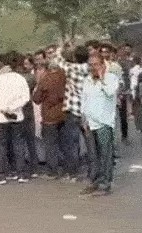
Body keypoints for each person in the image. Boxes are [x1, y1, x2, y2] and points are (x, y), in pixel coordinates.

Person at [0, 51, 31, 185]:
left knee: (0, 146)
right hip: (17, 116)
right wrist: (13, 108)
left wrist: (4, 109)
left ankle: (1, 174)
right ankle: (21, 173)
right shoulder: (20, 78)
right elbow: (25, 98)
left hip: (0, 117)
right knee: (18, 145)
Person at [80, 53, 120, 196]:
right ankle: (94, 180)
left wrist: (102, 78)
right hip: (90, 123)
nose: (93, 68)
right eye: (90, 65)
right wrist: (83, 118)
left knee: (105, 154)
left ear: (103, 65)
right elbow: (84, 100)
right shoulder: (87, 80)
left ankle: (105, 182)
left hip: (104, 123)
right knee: (92, 155)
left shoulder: (111, 79)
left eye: (96, 64)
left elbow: (110, 93)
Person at [54, 44, 90, 181]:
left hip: (74, 109)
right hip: (88, 110)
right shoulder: (90, 68)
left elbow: (58, 60)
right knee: (89, 141)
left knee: (72, 143)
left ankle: (73, 172)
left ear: (75, 57)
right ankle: (93, 170)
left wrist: (60, 48)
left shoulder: (72, 68)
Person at [33, 61, 67, 179]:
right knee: (64, 142)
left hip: (49, 115)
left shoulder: (45, 80)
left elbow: (36, 99)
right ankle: (68, 167)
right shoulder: (63, 76)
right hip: (63, 113)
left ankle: (53, 170)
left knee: (50, 144)